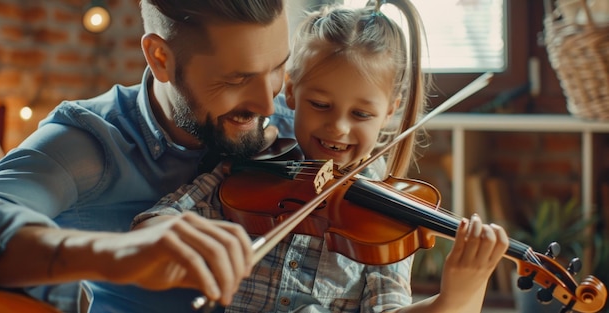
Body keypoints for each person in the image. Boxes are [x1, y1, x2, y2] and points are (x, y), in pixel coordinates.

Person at [121, 1, 509, 312]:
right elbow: (160, 219)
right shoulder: (256, 162)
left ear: (390, 111)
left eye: (361, 114)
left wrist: (456, 299)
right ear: (290, 92)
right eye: (320, 104)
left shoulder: (389, 216)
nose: (338, 127)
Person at [0, 1, 290, 312]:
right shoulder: (88, 141)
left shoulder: (295, 124)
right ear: (160, 58)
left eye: (279, 67)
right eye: (237, 80)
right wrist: (117, 253)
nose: (268, 106)